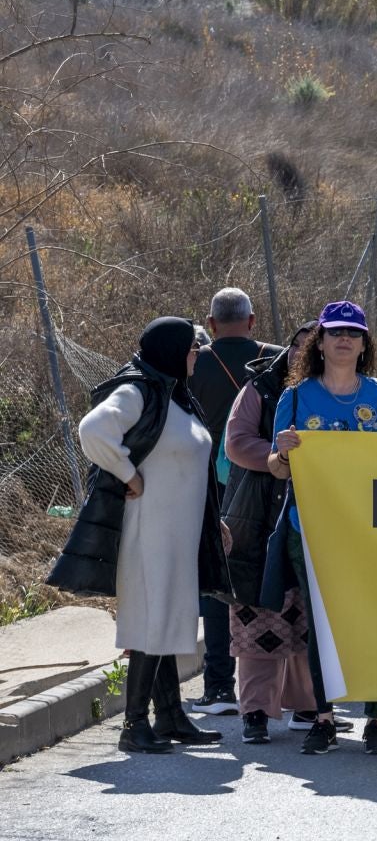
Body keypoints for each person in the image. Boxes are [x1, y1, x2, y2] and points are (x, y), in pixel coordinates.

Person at [53, 318, 231, 754]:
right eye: (191, 349)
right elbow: (93, 429)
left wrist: (213, 521)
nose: (196, 356)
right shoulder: (138, 391)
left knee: (169, 621)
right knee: (152, 622)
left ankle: (170, 716)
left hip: (178, 535)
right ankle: (134, 725)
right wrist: (128, 474)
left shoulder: (176, 394)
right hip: (147, 532)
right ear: (171, 350)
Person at [265, 301, 377, 755]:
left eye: (353, 332)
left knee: (374, 621)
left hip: (373, 530)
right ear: (322, 341)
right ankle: (325, 718)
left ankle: (374, 719)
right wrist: (285, 452)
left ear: (365, 342)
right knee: (323, 625)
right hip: (311, 530)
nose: (344, 339)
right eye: (335, 333)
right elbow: (276, 469)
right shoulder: (294, 397)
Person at [221, 324, 319, 744]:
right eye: (298, 347)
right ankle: (256, 712)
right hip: (261, 518)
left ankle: (310, 707)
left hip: (320, 519)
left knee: (308, 615)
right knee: (258, 611)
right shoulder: (260, 388)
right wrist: (275, 458)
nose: (303, 355)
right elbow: (236, 441)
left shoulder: (343, 390)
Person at [183, 286, 265, 716]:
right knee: (272, 578)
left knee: (218, 582)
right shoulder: (275, 358)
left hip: (211, 487)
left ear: (211, 325)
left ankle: (218, 687)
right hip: (268, 482)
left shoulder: (198, 363)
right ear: (252, 321)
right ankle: (285, 689)